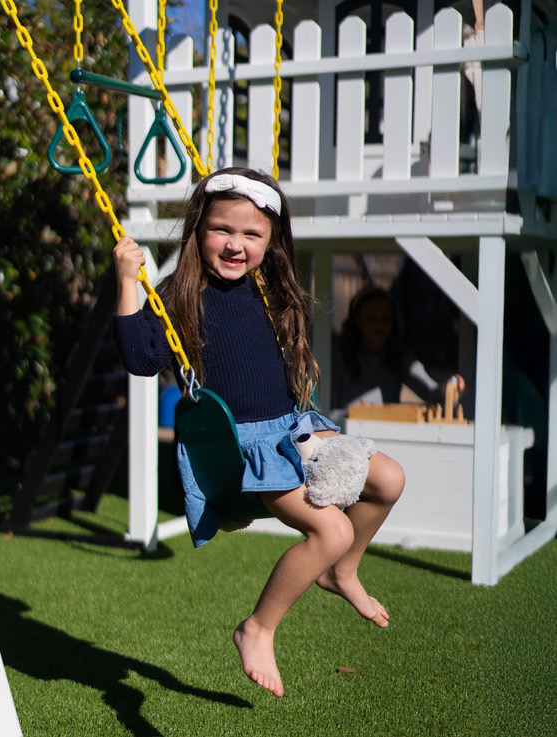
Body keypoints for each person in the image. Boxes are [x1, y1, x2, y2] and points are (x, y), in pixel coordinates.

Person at [112, 168, 405, 699]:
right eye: (222, 229)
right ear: (198, 229)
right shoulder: (180, 295)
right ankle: (258, 628)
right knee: (331, 531)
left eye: (252, 234)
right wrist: (128, 282)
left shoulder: (267, 286)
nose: (235, 245)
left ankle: (342, 573)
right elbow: (139, 358)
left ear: (270, 242)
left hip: (294, 428)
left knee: (388, 479)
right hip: (247, 451)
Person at [332, 286, 465, 410]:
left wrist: (450, 387)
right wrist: (354, 414)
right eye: (371, 319)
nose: (380, 325)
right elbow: (328, 410)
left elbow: (430, 392)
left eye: (386, 318)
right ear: (358, 320)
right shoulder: (339, 356)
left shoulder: (400, 357)